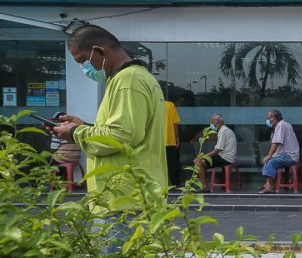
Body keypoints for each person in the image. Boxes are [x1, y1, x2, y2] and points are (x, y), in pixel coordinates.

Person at [51, 24, 167, 213]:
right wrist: (84, 126)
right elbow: (124, 129)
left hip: (125, 200)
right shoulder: (131, 78)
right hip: (131, 196)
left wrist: (74, 132)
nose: (84, 67)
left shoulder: (127, 81)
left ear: (99, 51)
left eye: (83, 60)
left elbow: (122, 135)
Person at [258, 109, 299, 194]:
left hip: (289, 156)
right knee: (269, 159)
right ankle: (268, 183)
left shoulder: (281, 125)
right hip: (287, 154)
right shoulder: (284, 124)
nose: (268, 120)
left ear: (274, 118)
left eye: (269, 118)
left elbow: (276, 142)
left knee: (270, 161)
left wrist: (269, 155)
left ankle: (270, 187)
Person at [194, 113, 237, 192]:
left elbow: (218, 150)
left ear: (217, 122)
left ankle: (204, 187)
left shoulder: (223, 131)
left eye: (212, 122)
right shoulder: (225, 130)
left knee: (199, 162)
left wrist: (202, 157)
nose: (211, 125)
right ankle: (204, 184)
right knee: (201, 161)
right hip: (226, 156)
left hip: (225, 158)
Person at [164, 99, 181, 186]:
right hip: (170, 140)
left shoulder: (153, 104)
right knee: (172, 163)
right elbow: (175, 123)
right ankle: (174, 183)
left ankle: (161, 183)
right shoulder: (170, 105)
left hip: (156, 141)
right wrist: (177, 138)